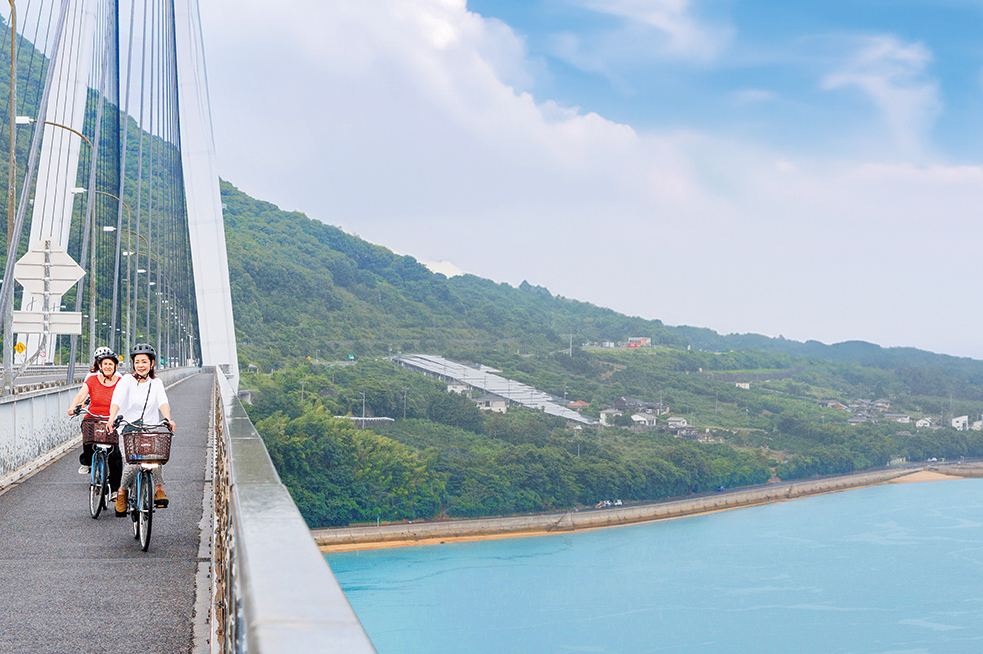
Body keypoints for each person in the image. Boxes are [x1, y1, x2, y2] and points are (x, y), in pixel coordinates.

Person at [107, 343, 177, 516]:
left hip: (149, 427)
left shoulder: (156, 383)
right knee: (133, 463)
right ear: (133, 364)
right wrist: (112, 417)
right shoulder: (126, 381)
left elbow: (163, 402)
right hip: (128, 428)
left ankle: (159, 487)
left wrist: (168, 418)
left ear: (152, 363)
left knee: (156, 457)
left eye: (144, 361)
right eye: (137, 361)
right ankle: (122, 492)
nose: (140, 365)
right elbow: (117, 400)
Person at [67, 347, 124, 498]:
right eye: (104, 364)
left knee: (115, 455)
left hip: (111, 419)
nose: (107, 367)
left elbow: (127, 399)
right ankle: (88, 462)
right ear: (99, 365)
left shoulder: (120, 382)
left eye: (110, 364)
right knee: (88, 436)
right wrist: (73, 407)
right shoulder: (91, 380)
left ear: (115, 366)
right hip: (92, 417)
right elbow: (81, 395)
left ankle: (114, 489)